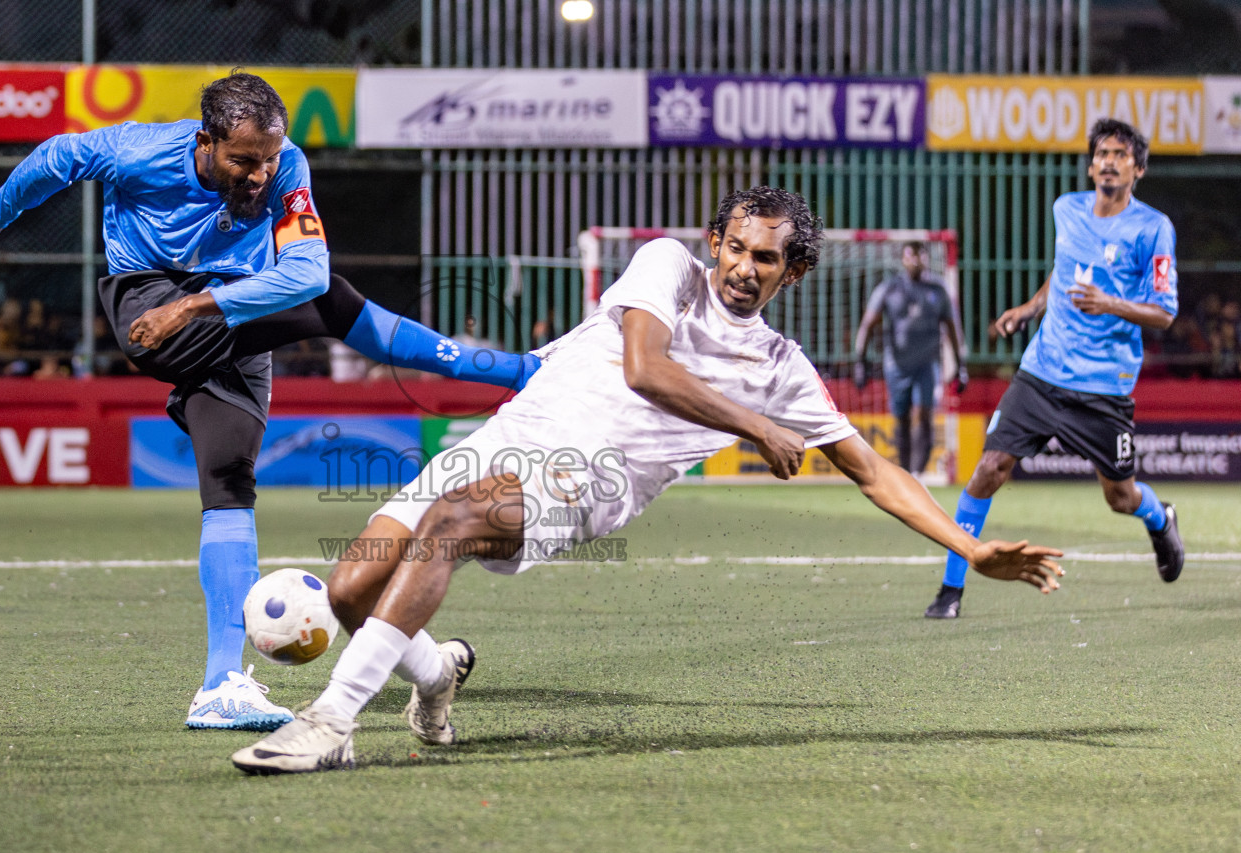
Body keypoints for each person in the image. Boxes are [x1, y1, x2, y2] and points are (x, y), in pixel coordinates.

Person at [231, 187, 1065, 774]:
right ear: (716, 243)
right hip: (508, 436)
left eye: (765, 258)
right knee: (349, 590)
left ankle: (331, 723)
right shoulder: (665, 266)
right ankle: (437, 674)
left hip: (585, 477)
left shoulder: (781, 369)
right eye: (736, 246)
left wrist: (968, 546)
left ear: (792, 273)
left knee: (452, 523)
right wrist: (754, 426)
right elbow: (644, 367)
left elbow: (874, 471)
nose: (744, 265)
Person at [0, 70, 539, 732]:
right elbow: (61, 157)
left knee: (230, 482)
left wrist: (199, 306)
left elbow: (304, 269)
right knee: (332, 304)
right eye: (243, 160)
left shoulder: (286, 163)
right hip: (150, 302)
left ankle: (221, 687)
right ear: (206, 141)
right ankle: (519, 371)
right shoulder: (140, 149)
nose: (260, 174)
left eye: (268, 159)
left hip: (231, 312)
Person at [920, 118, 1183, 622]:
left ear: (1139, 169)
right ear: (1091, 165)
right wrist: (1030, 307)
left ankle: (1159, 516)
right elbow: (1065, 272)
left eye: (1120, 155)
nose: (1109, 161)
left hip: (1103, 387)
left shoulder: (1153, 228)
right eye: (1102, 153)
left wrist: (1109, 303)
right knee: (988, 470)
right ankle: (950, 590)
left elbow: (1165, 313)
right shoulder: (1067, 208)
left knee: (1120, 496)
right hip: (1041, 373)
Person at [852, 241, 968, 478]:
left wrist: (961, 364)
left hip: (928, 364)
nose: (915, 261)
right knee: (901, 418)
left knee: (925, 415)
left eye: (920, 256)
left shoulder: (938, 289)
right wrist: (860, 362)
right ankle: (905, 471)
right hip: (897, 365)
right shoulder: (889, 289)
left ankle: (918, 473)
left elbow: (953, 329)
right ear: (903, 259)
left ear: (926, 259)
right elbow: (867, 325)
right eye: (910, 256)